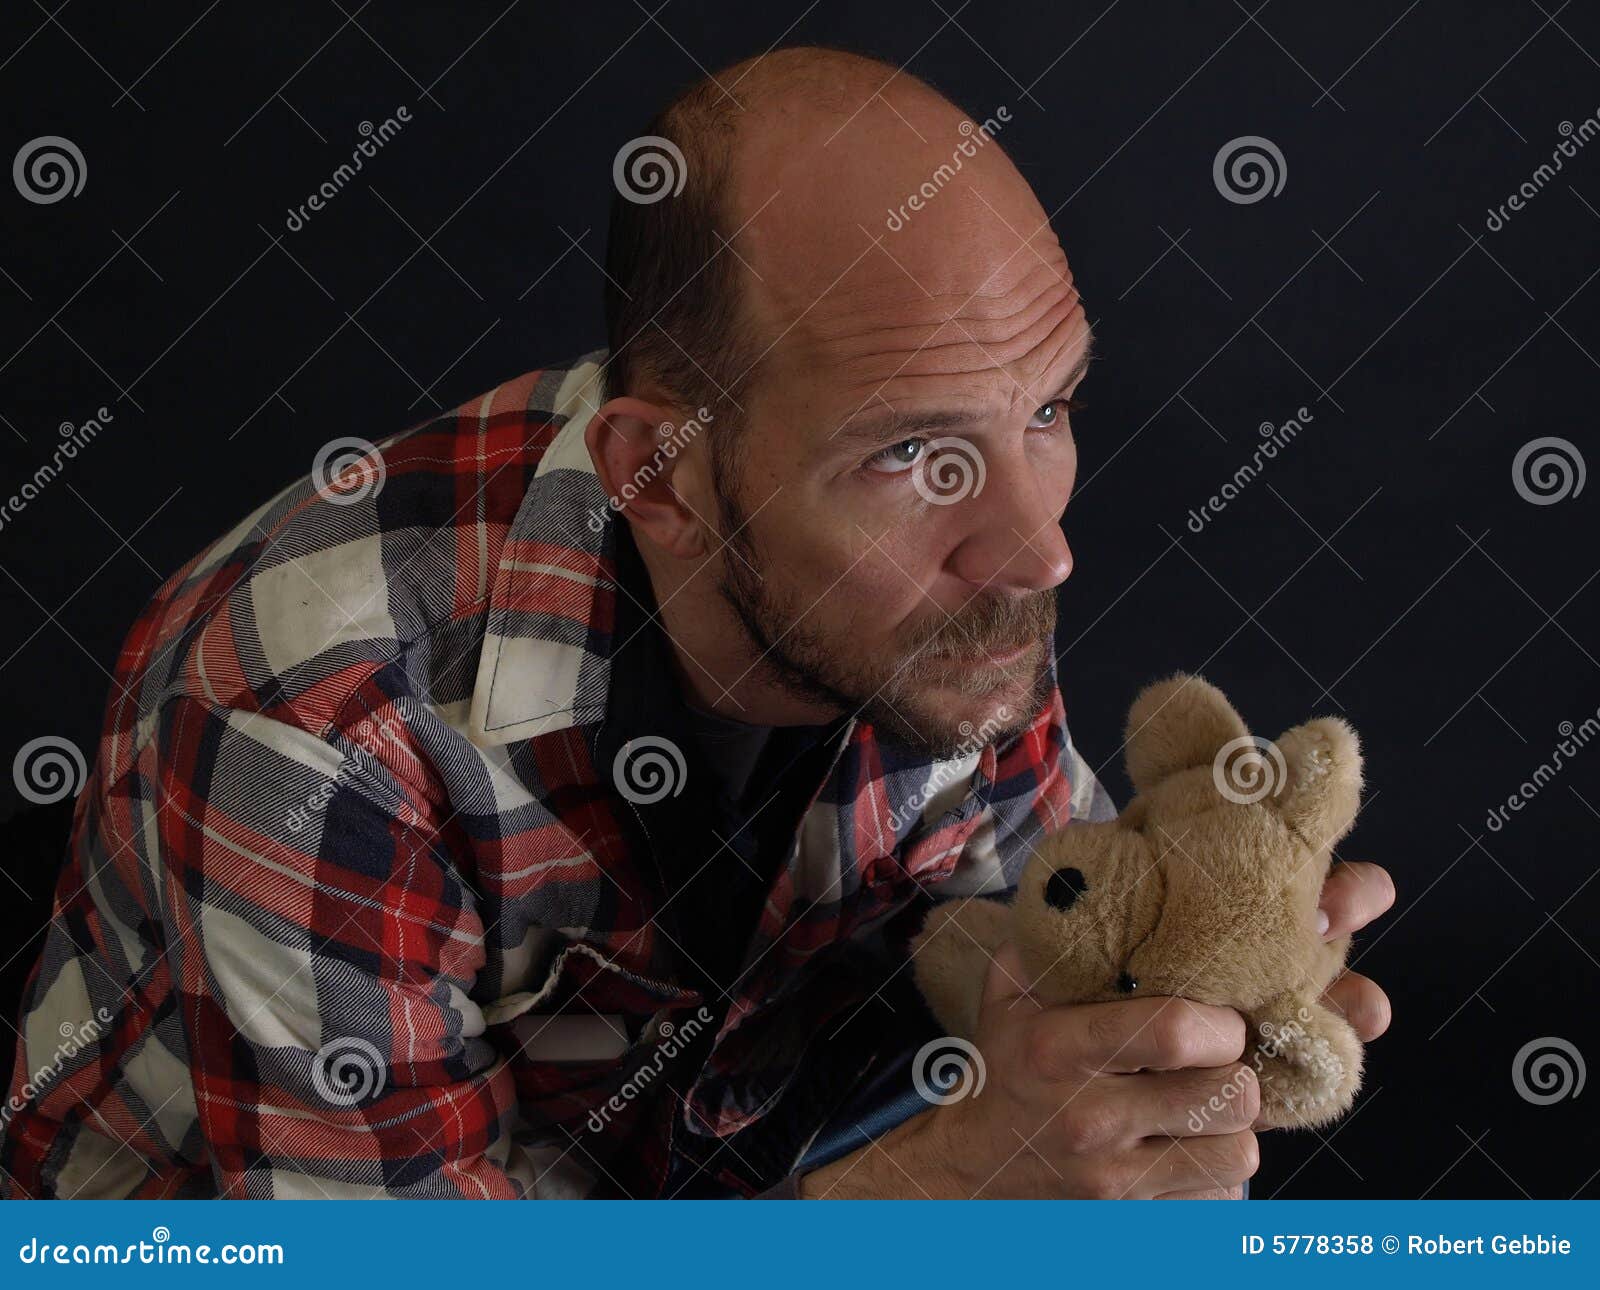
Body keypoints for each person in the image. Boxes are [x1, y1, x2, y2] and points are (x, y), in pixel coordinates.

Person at [0, 45, 1393, 1200]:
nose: (1042, 545)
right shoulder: (315, 713)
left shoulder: (949, 578)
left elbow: (1020, 930)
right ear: (654, 480)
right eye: (916, 455)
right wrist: (949, 1185)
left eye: (1048, 410)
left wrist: (1191, 992)